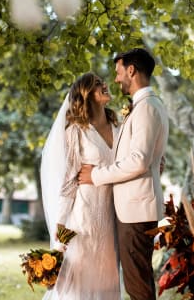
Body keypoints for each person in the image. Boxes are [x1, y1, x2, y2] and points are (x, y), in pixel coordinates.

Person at [78, 48, 169, 300]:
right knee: (136, 281)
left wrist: (95, 176)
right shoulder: (145, 106)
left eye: (119, 72)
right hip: (130, 209)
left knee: (137, 286)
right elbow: (149, 157)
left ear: (131, 70)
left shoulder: (147, 108)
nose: (116, 79)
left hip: (136, 211)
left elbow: (138, 161)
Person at [41, 72, 121, 300]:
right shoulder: (76, 131)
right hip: (83, 219)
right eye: (97, 85)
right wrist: (60, 221)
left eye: (102, 82)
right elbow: (69, 180)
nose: (105, 85)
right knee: (80, 284)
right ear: (86, 95)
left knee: (107, 281)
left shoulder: (120, 128)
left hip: (112, 218)